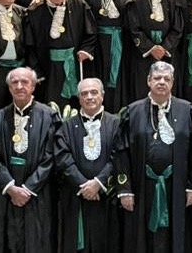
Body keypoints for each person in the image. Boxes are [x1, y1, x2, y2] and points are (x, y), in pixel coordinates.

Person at [115, 62, 192, 253]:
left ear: (173, 82)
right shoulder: (132, 112)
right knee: (143, 236)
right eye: (157, 78)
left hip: (176, 186)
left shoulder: (187, 111)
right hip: (142, 186)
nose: (161, 82)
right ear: (148, 80)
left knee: (174, 235)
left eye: (166, 79)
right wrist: (125, 189)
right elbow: (121, 153)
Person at [0, 67, 60, 252]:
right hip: (7, 194)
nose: (19, 86)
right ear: (9, 88)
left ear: (33, 86)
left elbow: (51, 156)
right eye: (15, 82)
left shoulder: (50, 117)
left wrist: (28, 188)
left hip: (37, 194)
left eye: (25, 82)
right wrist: (10, 187)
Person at [56, 78, 123, 253]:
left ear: (102, 95)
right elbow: (62, 158)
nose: (89, 97)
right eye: (84, 94)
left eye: (94, 92)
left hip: (107, 197)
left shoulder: (116, 124)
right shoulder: (66, 126)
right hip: (76, 197)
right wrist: (83, 185)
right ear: (79, 98)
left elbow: (119, 156)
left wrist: (98, 183)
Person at [24, 0, 99, 109]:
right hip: (49, 66)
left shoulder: (78, 4)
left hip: (75, 62)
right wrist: (36, 70)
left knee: (76, 101)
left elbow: (90, 31)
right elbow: (30, 45)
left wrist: (85, 50)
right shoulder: (35, 10)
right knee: (53, 101)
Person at [124, 0, 185, 110]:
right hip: (143, 55)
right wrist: (151, 48)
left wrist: (165, 48)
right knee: (143, 89)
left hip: (167, 54)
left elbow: (178, 27)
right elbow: (133, 28)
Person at [81, 0, 138, 109]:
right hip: (97, 45)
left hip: (122, 43)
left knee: (121, 80)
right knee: (100, 78)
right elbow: (85, 22)